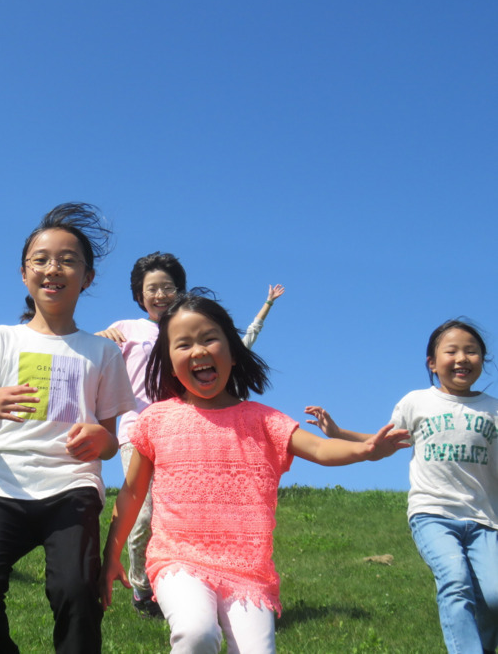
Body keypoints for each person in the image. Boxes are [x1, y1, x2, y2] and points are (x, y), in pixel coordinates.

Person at [100, 290, 408, 654]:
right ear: (168, 361)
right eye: (183, 345)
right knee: (197, 633)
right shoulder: (156, 420)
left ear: (232, 349)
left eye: (209, 339)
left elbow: (321, 449)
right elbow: (133, 493)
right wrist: (111, 555)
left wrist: (366, 450)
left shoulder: (264, 420)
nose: (198, 351)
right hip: (178, 558)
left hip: (248, 570)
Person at [0, 202, 136, 654]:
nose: (53, 269)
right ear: (23, 273)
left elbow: (110, 442)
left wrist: (103, 440)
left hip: (71, 486)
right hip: (3, 484)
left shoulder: (103, 353)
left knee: (75, 591)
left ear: (87, 278)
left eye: (68, 260)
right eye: (41, 259)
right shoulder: (0, 338)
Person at [96, 258, 284, 619]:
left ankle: (194, 583)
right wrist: (100, 338)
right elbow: (93, 359)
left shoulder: (188, 331)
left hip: (187, 433)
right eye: (152, 288)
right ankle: (142, 588)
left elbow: (241, 341)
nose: (160, 294)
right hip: (138, 431)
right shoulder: (127, 327)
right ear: (140, 295)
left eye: (168, 287)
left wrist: (267, 306)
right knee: (144, 515)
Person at [306, 319, 498, 654]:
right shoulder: (416, 402)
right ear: (432, 363)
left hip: (485, 519)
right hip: (433, 514)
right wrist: (338, 433)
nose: (462, 358)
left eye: (472, 351)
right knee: (455, 583)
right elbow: (384, 442)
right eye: (451, 351)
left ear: (483, 359)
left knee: (494, 597)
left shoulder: (493, 409)